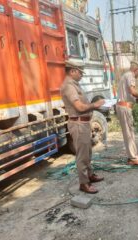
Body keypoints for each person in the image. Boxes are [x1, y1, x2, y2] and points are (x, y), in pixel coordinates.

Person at [61, 61, 105, 194]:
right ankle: (84, 183)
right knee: (82, 156)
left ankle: (90, 175)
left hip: (83, 123)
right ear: (73, 71)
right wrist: (95, 105)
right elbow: (79, 107)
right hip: (78, 124)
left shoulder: (75, 85)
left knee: (88, 152)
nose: (81, 75)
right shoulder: (69, 86)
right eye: (80, 72)